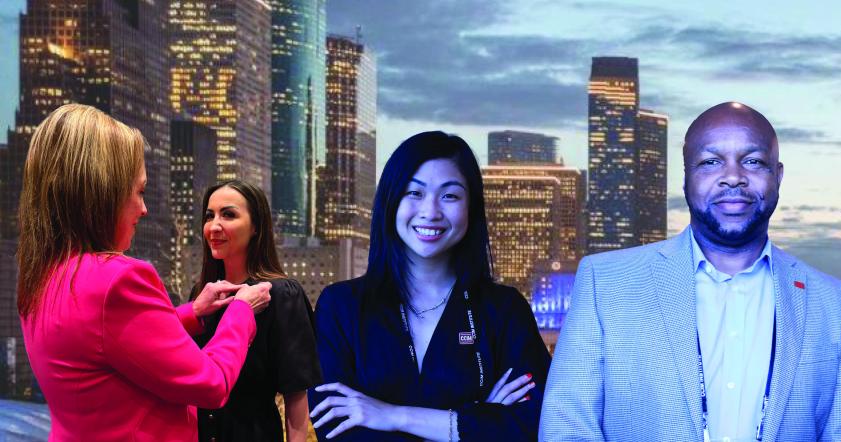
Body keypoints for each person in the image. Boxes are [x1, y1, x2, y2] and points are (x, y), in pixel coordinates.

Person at [541, 102, 841, 441]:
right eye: (711, 162)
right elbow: (567, 426)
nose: (733, 177)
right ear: (686, 176)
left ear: (778, 176)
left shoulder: (831, 303)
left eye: (753, 161)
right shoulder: (605, 283)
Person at [17, 103, 272, 440]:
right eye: (138, 192)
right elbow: (211, 383)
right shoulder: (118, 280)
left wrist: (191, 312)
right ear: (102, 193)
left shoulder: (44, 277)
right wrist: (241, 312)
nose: (144, 208)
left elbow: (105, 341)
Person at [310, 131, 550, 440]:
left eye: (450, 196)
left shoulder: (504, 310)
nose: (431, 211)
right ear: (390, 201)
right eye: (414, 193)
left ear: (471, 208)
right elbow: (336, 430)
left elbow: (533, 425)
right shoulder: (340, 306)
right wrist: (479, 418)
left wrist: (393, 415)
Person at [189, 180, 321, 441]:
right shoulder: (201, 295)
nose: (214, 226)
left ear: (256, 227)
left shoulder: (281, 295)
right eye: (209, 216)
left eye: (228, 215)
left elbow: (296, 394)